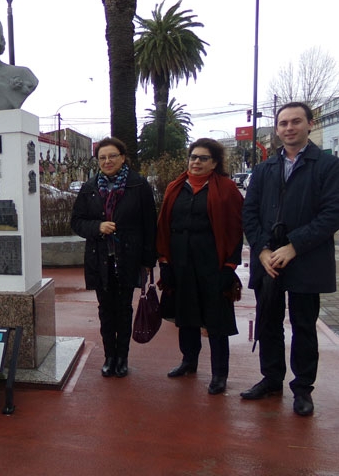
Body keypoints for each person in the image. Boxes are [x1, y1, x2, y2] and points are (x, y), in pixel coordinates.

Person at [242, 102, 339, 416]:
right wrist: (263, 250)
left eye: (296, 121)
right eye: (283, 123)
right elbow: (250, 213)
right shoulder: (263, 168)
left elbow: (331, 214)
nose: (288, 128)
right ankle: (271, 379)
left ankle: (302, 389)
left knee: (304, 326)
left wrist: (294, 246)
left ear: (310, 124)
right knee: (268, 323)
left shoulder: (327, 166)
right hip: (268, 258)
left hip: (305, 258)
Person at [157, 138, 243, 395]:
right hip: (181, 264)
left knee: (216, 322)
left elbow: (236, 230)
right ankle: (189, 361)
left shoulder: (227, 189)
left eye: (203, 158)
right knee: (186, 318)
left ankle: (219, 374)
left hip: (213, 265)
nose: (196, 162)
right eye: (193, 157)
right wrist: (165, 262)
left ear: (214, 163)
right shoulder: (175, 187)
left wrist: (229, 266)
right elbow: (164, 226)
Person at [70, 137, 157, 378]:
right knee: (105, 310)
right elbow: (76, 222)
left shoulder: (138, 185)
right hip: (100, 259)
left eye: (112, 156)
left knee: (124, 309)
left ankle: (122, 357)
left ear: (123, 157)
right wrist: (97, 227)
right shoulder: (89, 188)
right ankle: (109, 356)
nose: (107, 161)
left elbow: (150, 225)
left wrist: (148, 261)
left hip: (128, 257)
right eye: (102, 158)